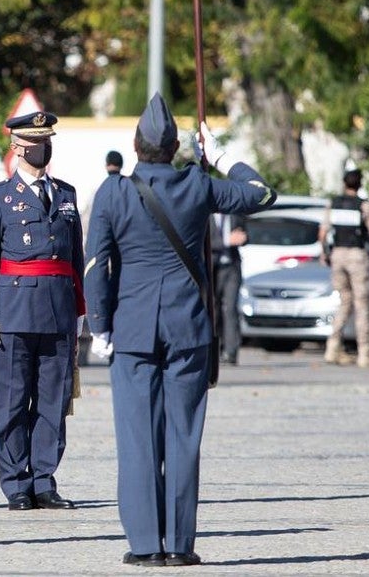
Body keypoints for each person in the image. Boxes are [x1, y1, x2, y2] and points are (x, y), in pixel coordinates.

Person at [84, 94, 276, 567]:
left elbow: (96, 265)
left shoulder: (114, 192)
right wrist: (219, 156)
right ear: (176, 148)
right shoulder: (197, 184)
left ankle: (147, 543)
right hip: (187, 326)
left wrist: (100, 324)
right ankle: (180, 544)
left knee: (137, 438)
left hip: (132, 328)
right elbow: (262, 193)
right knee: (183, 436)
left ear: (135, 146)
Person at [0, 112, 84, 512]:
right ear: (16, 147)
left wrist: (81, 309)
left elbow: (76, 255)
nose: (42, 147)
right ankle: (16, 483)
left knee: (52, 399)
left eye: (47, 140)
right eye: (34, 141)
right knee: (12, 399)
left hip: (59, 307)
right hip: (14, 307)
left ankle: (44, 479)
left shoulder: (66, 194)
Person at [318, 169, 369, 368]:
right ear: (360, 184)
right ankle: (364, 352)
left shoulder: (334, 204)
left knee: (344, 301)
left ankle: (333, 346)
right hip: (356, 255)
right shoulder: (363, 206)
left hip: (337, 255)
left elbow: (322, 232)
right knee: (361, 303)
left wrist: (325, 253)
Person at [210, 213, 247, 365]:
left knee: (231, 309)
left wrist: (243, 238)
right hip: (212, 267)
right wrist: (226, 241)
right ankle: (214, 349)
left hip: (231, 267)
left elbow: (245, 235)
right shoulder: (206, 215)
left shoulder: (235, 215)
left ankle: (231, 352)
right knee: (213, 309)